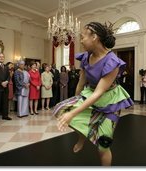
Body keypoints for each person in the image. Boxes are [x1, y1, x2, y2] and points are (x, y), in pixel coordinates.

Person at [53, 22, 134, 166]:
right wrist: (75, 100)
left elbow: (98, 93)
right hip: (90, 93)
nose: (81, 40)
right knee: (61, 109)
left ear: (94, 37)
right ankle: (82, 136)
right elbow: (81, 82)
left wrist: (72, 114)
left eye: (83, 37)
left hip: (109, 100)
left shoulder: (112, 62)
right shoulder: (85, 57)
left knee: (103, 144)